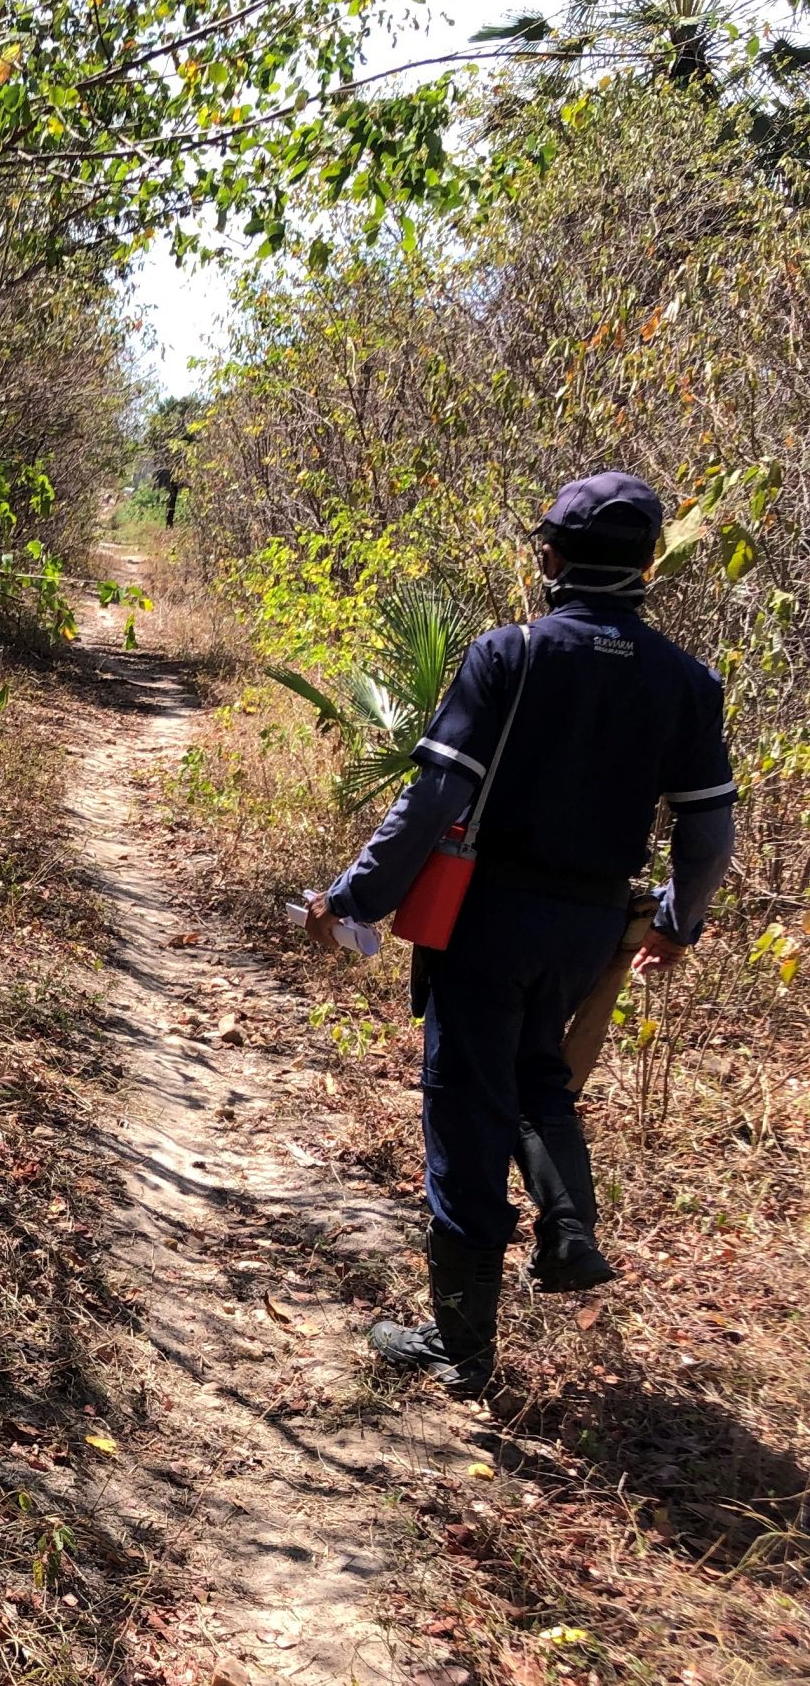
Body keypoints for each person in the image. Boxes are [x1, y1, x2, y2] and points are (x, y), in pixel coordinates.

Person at [303, 472, 737, 1396]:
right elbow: (708, 835)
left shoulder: (509, 655)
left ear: (550, 557)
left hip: (486, 916)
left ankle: (462, 1345)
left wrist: (355, 898)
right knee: (540, 1075)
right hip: (587, 926)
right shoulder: (687, 683)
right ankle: (568, 1222)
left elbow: (435, 799)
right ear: (651, 562)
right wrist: (676, 922)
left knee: (465, 1101)